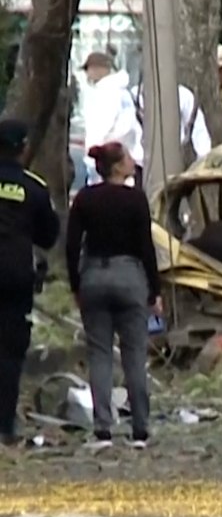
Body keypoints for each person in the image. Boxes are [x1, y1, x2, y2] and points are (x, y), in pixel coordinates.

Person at [65, 142, 160, 450]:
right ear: (118, 167)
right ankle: (140, 429)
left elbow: (71, 244)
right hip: (130, 275)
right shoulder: (136, 200)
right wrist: (154, 290)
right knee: (134, 354)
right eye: (129, 157)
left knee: (100, 353)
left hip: (94, 274)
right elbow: (146, 246)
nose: (134, 161)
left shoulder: (85, 198)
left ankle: (103, 428)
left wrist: (76, 284)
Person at [0, 120, 60, 447]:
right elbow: (48, 235)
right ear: (23, 148)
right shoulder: (33, 187)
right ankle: (4, 427)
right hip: (15, 278)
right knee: (9, 354)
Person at [80, 51, 141, 187]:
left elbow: (101, 127)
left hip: (109, 160)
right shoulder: (122, 91)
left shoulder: (106, 92)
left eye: (87, 69)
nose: (87, 74)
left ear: (99, 69)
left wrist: (92, 154)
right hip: (125, 157)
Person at [130, 79, 211, 167]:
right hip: (141, 165)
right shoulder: (133, 98)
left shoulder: (182, 95)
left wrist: (204, 163)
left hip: (175, 160)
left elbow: (200, 133)